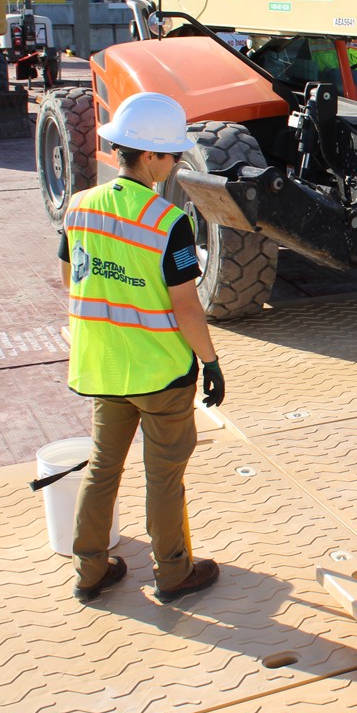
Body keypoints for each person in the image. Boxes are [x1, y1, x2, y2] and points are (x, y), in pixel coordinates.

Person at [60, 91, 227, 605]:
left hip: (103, 368)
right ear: (149, 156)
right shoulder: (167, 222)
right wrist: (210, 361)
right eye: (171, 155)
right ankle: (173, 572)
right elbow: (186, 308)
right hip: (161, 374)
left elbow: (70, 274)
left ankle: (90, 569)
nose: (175, 163)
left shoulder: (80, 206)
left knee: (102, 468)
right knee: (164, 475)